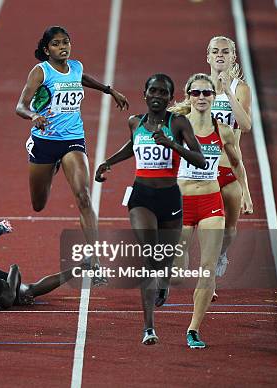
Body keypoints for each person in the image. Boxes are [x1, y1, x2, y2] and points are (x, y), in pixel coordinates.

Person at [94, 74, 206, 345]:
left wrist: (171, 144)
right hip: (141, 196)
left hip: (170, 198)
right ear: (144, 94)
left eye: (163, 92)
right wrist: (108, 161)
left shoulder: (177, 123)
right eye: (152, 90)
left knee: (163, 259)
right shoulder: (136, 122)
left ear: (170, 97)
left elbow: (200, 160)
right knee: (149, 256)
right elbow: (133, 146)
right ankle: (148, 328)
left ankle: (164, 280)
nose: (157, 95)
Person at [15, 26, 129, 280]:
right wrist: (34, 115)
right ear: (47, 49)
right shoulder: (40, 72)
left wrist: (110, 91)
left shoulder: (75, 67)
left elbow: (82, 79)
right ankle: (53, 166)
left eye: (66, 42)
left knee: (84, 196)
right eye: (56, 44)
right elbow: (20, 105)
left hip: (73, 139)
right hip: (45, 142)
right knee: (38, 204)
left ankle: (95, 259)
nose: (62, 47)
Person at [169, 73, 253, 349]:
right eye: (197, 93)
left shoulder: (223, 130)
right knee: (178, 268)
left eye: (207, 93)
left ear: (212, 97)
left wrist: (246, 192)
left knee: (208, 268)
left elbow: (238, 164)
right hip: (181, 204)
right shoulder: (176, 126)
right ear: (189, 96)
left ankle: (193, 328)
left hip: (210, 203)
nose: (202, 97)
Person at [207, 36, 253, 299]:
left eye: (225, 52)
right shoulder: (199, 86)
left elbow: (245, 126)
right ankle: (209, 277)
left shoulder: (240, 88)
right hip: (205, 170)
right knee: (209, 228)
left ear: (233, 57)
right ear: (208, 57)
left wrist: (226, 92)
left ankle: (221, 256)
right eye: (216, 52)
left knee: (229, 230)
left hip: (231, 168)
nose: (220, 56)